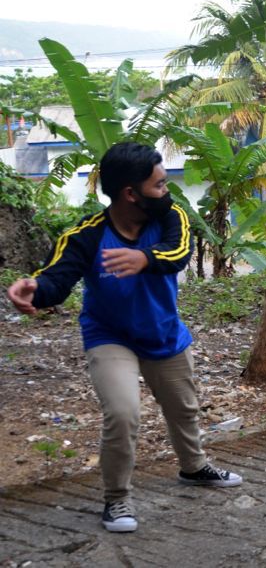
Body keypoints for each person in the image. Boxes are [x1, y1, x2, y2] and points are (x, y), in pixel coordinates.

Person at [6, 142, 243, 533]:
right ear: (131, 193)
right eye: (160, 185)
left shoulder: (170, 218)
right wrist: (36, 289)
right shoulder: (86, 234)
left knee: (184, 410)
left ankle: (194, 468)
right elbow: (57, 277)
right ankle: (116, 500)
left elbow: (180, 251)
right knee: (122, 413)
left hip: (163, 332)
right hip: (109, 336)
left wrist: (145, 259)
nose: (166, 191)